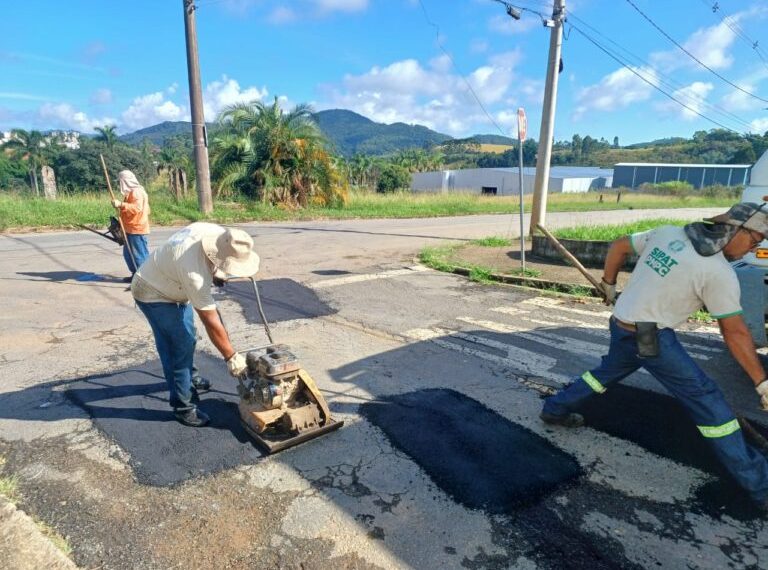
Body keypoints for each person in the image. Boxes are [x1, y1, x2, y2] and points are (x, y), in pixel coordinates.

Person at [540, 203, 768, 509]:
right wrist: (761, 381)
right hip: (647, 334)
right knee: (707, 401)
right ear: (734, 229)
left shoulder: (668, 233)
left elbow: (619, 245)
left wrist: (609, 284)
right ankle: (759, 485)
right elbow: (735, 332)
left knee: (605, 373)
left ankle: (555, 408)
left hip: (622, 321)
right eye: (754, 240)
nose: (753, 249)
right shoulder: (717, 272)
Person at [131, 222, 258, 427]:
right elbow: (210, 320)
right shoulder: (195, 276)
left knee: (187, 335)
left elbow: (206, 258)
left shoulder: (219, 235)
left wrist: (215, 271)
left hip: (174, 282)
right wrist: (231, 357)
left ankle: (189, 378)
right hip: (152, 291)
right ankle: (184, 406)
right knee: (179, 344)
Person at [111, 170, 150, 282]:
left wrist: (121, 204)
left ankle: (145, 279)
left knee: (139, 255)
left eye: (121, 181)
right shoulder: (132, 192)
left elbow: (136, 208)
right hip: (129, 228)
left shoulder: (137, 192)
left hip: (137, 228)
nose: (120, 183)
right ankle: (135, 275)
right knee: (129, 254)